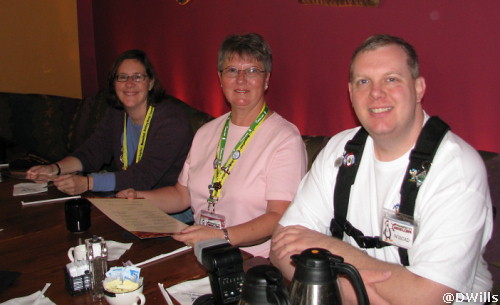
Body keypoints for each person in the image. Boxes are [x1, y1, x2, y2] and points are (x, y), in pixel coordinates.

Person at [271, 34, 493, 305]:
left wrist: (331, 249)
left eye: (391, 79)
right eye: (364, 82)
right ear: (351, 93)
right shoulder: (339, 150)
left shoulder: (456, 169)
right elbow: (282, 247)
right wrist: (362, 294)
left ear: (419, 88)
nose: (376, 93)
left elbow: (432, 298)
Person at [118, 33, 307, 257]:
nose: (241, 79)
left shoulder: (285, 140)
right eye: (232, 70)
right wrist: (139, 198)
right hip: (199, 252)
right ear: (220, 78)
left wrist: (220, 236)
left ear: (266, 80)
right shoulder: (206, 132)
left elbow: (278, 217)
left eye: (253, 71)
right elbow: (182, 195)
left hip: (251, 262)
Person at [27, 49, 194, 222]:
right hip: (131, 199)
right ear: (114, 84)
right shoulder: (117, 113)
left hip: (172, 208)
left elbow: (143, 177)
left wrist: (87, 183)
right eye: (122, 77)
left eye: (137, 77)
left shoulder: (172, 121)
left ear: (150, 83)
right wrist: (54, 168)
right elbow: (94, 151)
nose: (129, 83)